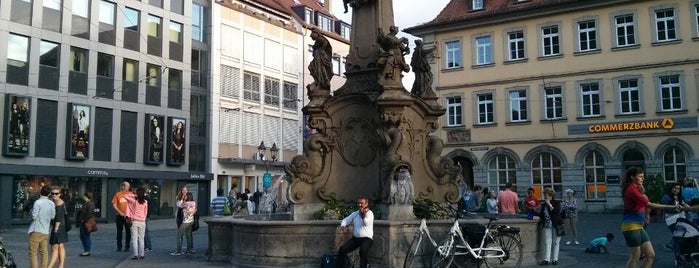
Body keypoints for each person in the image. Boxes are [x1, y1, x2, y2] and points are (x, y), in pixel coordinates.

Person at [621, 167, 679, 268]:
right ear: (632, 177)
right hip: (631, 226)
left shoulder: (636, 189)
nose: (642, 178)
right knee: (635, 256)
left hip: (639, 226)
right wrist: (672, 206)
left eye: (643, 176)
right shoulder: (631, 189)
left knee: (650, 255)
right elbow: (649, 205)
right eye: (640, 176)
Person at [337, 197, 374, 268]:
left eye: (361, 203)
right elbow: (346, 220)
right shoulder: (355, 213)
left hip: (367, 239)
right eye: (358, 203)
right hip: (356, 239)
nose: (359, 205)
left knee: (363, 251)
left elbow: (366, 223)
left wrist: (363, 216)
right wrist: (343, 226)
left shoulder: (370, 213)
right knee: (342, 249)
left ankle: (365, 266)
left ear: (366, 204)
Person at [27, 185, 56, 268]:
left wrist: (31, 211)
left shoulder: (37, 202)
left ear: (40, 192)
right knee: (44, 252)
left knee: (33, 253)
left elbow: (34, 216)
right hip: (45, 230)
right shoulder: (51, 203)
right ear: (49, 194)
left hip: (36, 229)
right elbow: (53, 216)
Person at [660, 182, 688, 251]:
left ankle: (671, 245)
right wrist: (676, 209)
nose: (676, 190)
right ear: (671, 188)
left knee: (679, 232)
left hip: (680, 217)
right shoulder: (666, 196)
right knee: (677, 232)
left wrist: (685, 206)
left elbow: (685, 205)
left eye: (678, 189)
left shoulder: (680, 197)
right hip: (671, 218)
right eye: (674, 188)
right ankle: (674, 246)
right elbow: (664, 207)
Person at [538, 187, 563, 265]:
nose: (545, 197)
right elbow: (541, 215)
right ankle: (547, 259)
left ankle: (555, 259)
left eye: (547, 195)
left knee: (556, 242)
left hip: (557, 224)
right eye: (545, 195)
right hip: (547, 224)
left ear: (551, 195)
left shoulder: (556, 203)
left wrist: (549, 204)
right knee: (547, 242)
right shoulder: (543, 205)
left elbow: (556, 212)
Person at [124, 187, 148, 260]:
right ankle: (142, 254)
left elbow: (125, 196)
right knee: (141, 239)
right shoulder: (145, 202)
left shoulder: (134, 201)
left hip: (135, 221)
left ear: (137, 193)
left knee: (134, 239)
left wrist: (134, 195)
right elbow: (145, 212)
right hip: (142, 222)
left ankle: (135, 255)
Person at [48, 186, 68, 268]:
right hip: (61, 227)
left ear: (60, 194)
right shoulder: (56, 202)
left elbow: (59, 218)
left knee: (54, 248)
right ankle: (61, 265)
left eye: (56, 193)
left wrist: (55, 230)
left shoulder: (59, 204)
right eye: (52, 193)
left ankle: (49, 266)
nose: (54, 195)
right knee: (60, 246)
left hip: (58, 228)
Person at [111, 181, 132, 252]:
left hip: (128, 216)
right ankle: (119, 246)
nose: (125, 187)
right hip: (119, 216)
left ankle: (127, 246)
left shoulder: (131, 194)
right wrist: (119, 212)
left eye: (127, 186)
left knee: (128, 231)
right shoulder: (118, 194)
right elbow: (114, 204)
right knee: (119, 231)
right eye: (124, 186)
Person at [76, 192, 95, 256]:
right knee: (83, 236)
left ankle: (87, 250)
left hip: (86, 222)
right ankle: (86, 250)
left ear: (86, 196)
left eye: (84, 196)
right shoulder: (86, 203)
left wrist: (84, 220)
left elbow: (89, 213)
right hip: (84, 222)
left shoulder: (90, 204)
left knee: (85, 236)